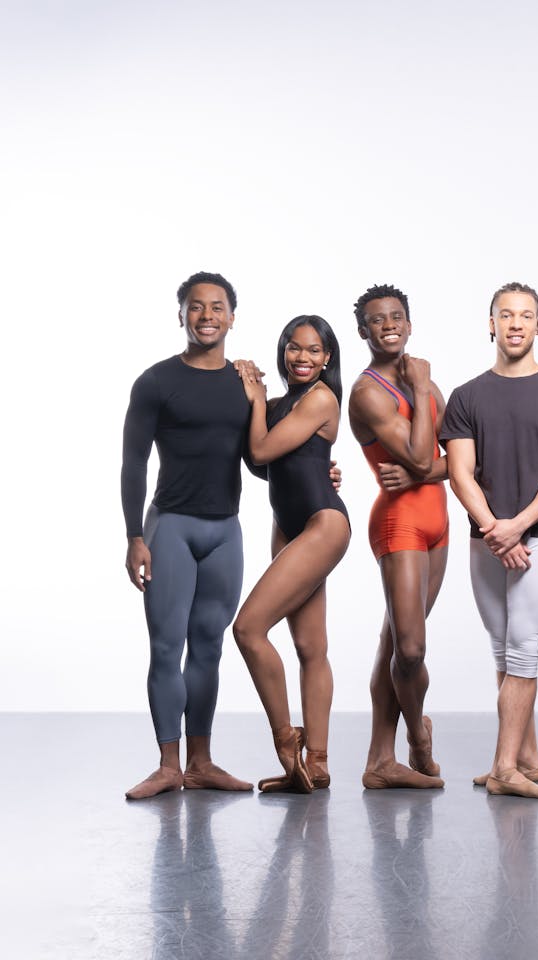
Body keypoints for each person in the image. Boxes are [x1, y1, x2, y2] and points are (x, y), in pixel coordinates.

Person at [443, 282, 538, 799]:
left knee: (524, 650)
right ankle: (525, 757)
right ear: (491, 324)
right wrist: (493, 528)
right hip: (486, 538)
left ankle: (504, 767)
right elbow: (460, 473)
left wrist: (516, 526)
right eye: (505, 315)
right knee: (502, 651)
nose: (515, 323)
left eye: (525, 315)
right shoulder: (466, 396)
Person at [121, 271, 262, 799]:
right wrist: (135, 535)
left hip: (226, 529)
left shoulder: (246, 384)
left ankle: (201, 762)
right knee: (166, 646)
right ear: (180, 315)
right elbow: (132, 461)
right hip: (171, 527)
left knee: (209, 647)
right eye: (196, 307)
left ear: (231, 316)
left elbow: (258, 459)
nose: (207, 316)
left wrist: (320, 471)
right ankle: (167, 765)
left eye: (217, 307)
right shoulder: (156, 381)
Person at [232, 315, 351, 793]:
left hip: (323, 525)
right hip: (288, 529)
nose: (302, 357)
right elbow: (270, 468)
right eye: (294, 348)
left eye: (314, 350)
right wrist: (259, 402)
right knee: (309, 647)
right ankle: (315, 765)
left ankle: (288, 744)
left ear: (327, 359)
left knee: (248, 628)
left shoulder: (322, 398)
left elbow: (259, 450)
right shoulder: (282, 404)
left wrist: (255, 399)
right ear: (283, 351)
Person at [348, 283, 451, 790]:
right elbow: (416, 453)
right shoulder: (369, 393)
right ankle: (417, 735)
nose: (388, 325)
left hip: (438, 524)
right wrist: (421, 384)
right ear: (363, 330)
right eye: (376, 319)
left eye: (396, 317)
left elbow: (461, 462)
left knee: (394, 641)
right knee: (409, 651)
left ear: (409, 324)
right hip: (399, 524)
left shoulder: (428, 388)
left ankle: (378, 761)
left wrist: (423, 473)